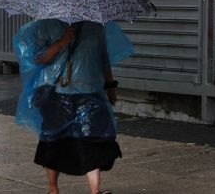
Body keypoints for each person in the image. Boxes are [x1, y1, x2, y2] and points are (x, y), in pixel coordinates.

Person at [14, 18, 132, 194]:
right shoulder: (45, 25)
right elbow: (38, 58)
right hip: (55, 93)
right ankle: (53, 188)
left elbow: (103, 58)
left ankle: (95, 191)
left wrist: (110, 86)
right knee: (53, 141)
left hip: (90, 93)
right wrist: (61, 42)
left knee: (94, 140)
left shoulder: (95, 27)